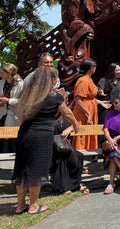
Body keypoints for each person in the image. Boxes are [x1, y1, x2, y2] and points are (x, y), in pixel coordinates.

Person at [13, 67, 80, 215]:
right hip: (42, 135)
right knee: (35, 170)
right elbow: (67, 113)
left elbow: (20, 116)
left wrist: (23, 130)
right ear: (53, 80)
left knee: (22, 169)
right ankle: (34, 206)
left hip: (25, 134)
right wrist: (76, 124)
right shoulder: (54, 96)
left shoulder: (27, 94)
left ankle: (20, 205)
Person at [72, 58, 110, 150]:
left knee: (89, 134)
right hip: (83, 112)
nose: (95, 68)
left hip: (90, 110)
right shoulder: (83, 80)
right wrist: (88, 113)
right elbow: (78, 100)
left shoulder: (89, 78)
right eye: (94, 66)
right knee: (82, 136)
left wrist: (100, 102)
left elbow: (89, 97)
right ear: (90, 68)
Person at [49, 114, 88, 195]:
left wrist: (70, 128)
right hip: (51, 149)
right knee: (63, 157)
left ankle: (75, 184)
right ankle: (66, 186)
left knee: (78, 155)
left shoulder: (67, 116)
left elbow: (76, 125)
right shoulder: (46, 117)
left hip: (65, 147)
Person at [0, 63, 24, 152]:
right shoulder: (1, 83)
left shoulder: (21, 84)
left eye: (2, 73)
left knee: (11, 139)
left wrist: (8, 101)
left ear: (9, 73)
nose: (0, 75)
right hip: (2, 115)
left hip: (14, 115)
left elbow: (24, 101)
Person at [97, 63, 120, 128]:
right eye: (117, 70)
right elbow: (98, 89)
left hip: (117, 109)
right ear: (111, 71)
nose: (119, 72)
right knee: (104, 128)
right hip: (106, 109)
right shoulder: (103, 80)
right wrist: (99, 91)